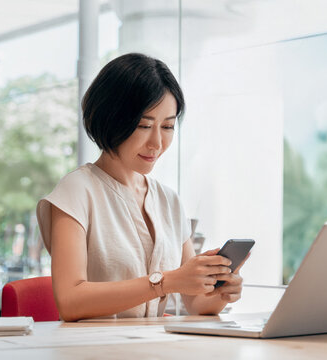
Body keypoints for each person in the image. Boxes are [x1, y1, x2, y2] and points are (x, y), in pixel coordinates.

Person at [36, 53, 246, 321]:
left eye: (168, 126)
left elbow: (195, 303)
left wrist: (219, 289)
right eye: (144, 125)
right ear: (112, 118)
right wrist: (166, 282)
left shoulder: (169, 201)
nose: (157, 142)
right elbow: (70, 301)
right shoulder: (76, 190)